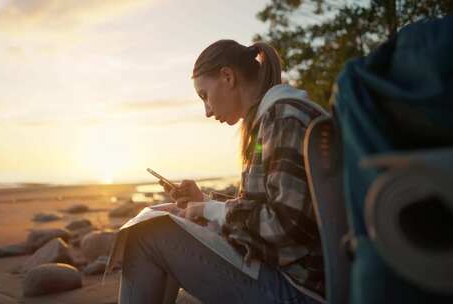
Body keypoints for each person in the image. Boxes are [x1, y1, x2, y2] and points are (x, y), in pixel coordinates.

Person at [118, 39, 329, 304]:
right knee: (168, 218)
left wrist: (208, 211)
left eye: (204, 95)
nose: (206, 111)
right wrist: (203, 202)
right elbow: (266, 209)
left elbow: (285, 225)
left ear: (227, 76)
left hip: (299, 291)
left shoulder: (283, 119)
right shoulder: (273, 118)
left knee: (145, 234)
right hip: (289, 278)